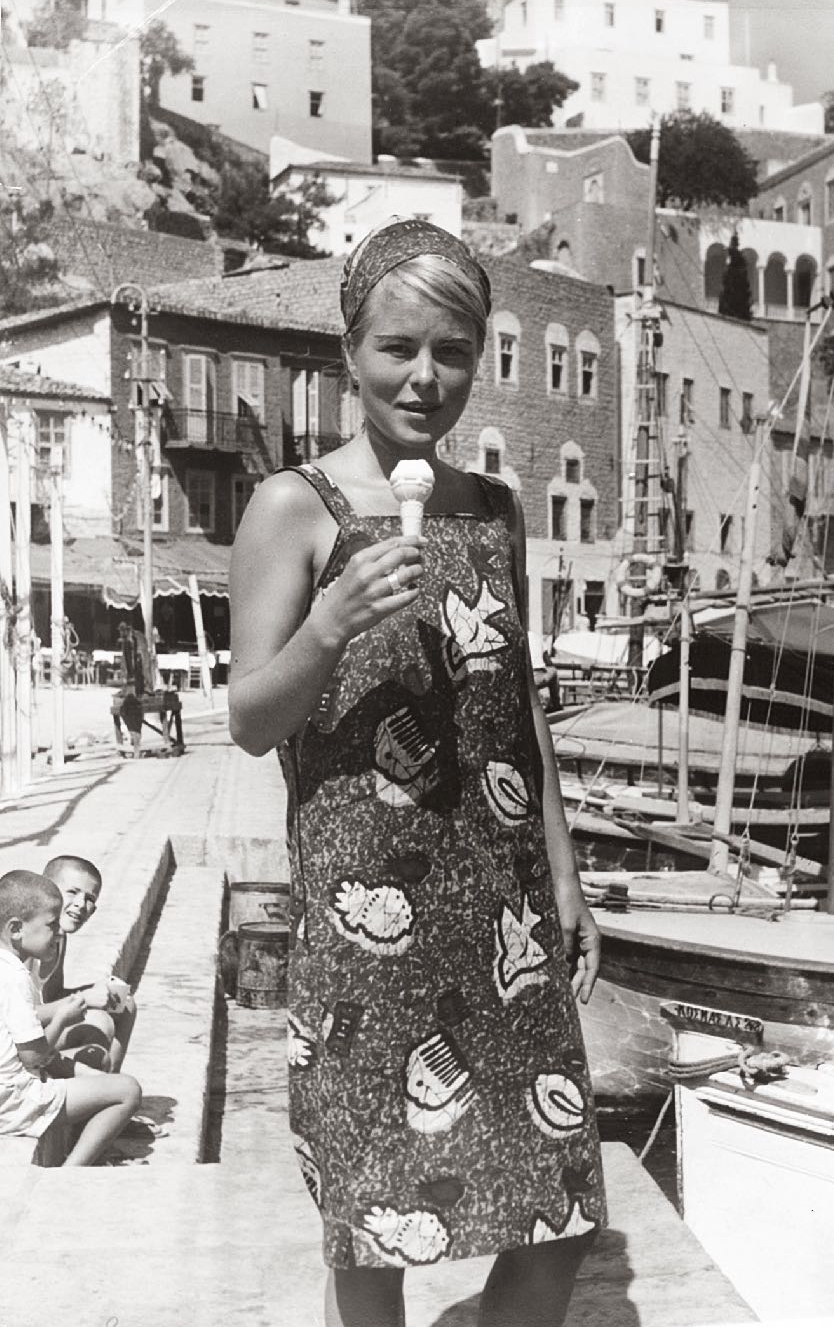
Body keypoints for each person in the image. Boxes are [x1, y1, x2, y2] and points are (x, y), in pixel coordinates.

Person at [228, 218, 607, 1327]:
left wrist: (567, 876)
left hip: (503, 916)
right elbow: (251, 717)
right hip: (363, 924)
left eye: (452, 349)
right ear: (349, 351)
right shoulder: (296, 506)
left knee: (557, 1207)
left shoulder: (490, 511)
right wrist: (329, 625)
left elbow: (518, 708)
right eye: (397, 348)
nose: (426, 376)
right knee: (373, 1218)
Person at [0, 869, 141, 1166]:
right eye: (51, 926)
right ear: (15, 929)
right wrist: (63, 1017)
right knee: (128, 1090)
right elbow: (32, 1058)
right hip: (12, 1103)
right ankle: (71, 1172)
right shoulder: (13, 975)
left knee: (99, 1075)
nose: (56, 932)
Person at [33, 855, 137, 1073]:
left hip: (40, 1029)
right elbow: (16, 1014)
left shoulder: (58, 937)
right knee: (98, 1028)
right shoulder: (27, 940)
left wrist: (95, 991)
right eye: (72, 892)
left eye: (90, 898)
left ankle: (110, 1079)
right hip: (19, 1045)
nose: (81, 904)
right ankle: (100, 1088)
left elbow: (52, 995)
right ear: (45, 890)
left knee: (125, 1003)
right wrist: (84, 998)